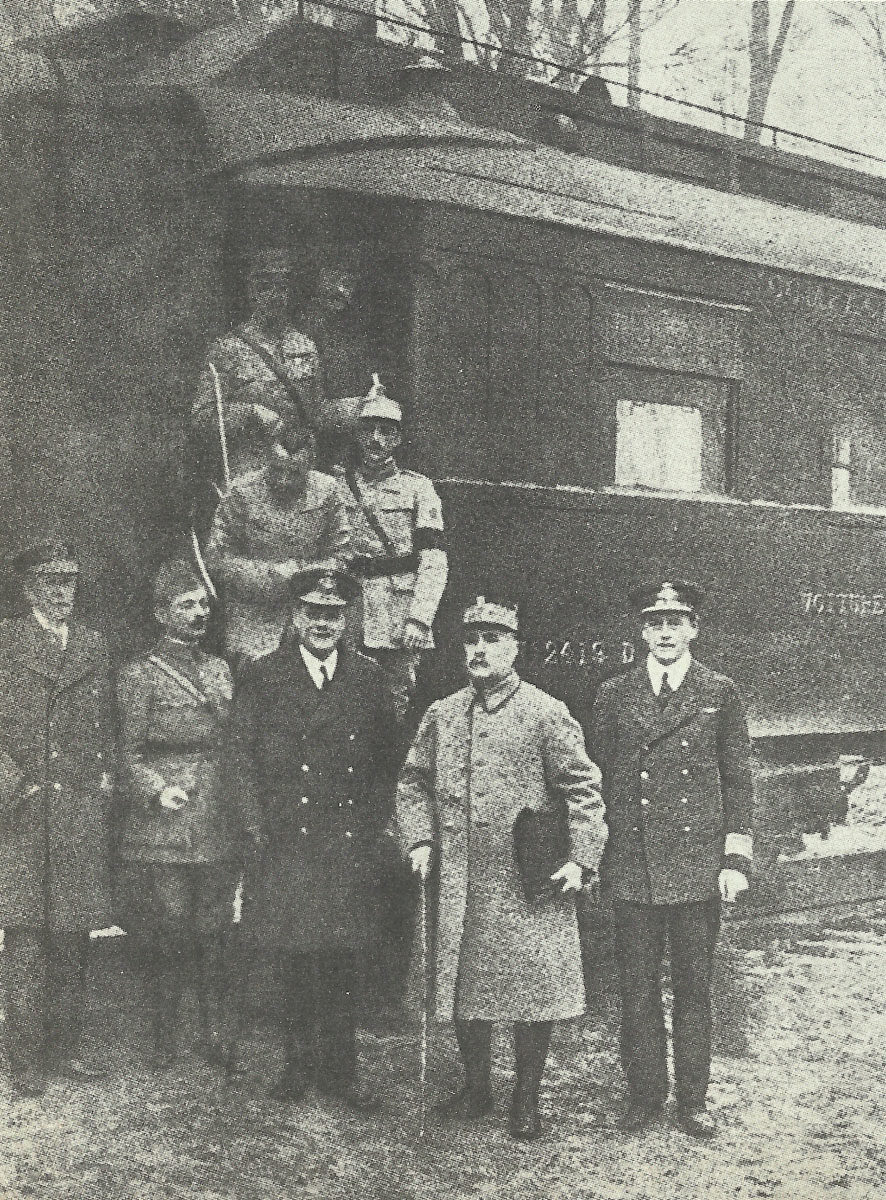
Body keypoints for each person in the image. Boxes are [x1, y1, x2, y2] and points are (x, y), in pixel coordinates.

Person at [397, 594, 606, 1140]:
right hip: (460, 880)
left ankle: (526, 1098)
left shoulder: (545, 711)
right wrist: (418, 839)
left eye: (493, 639)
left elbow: (583, 789)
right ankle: (476, 1088)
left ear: (516, 647)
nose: (481, 649)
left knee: (531, 993)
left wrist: (582, 859)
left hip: (524, 880)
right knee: (467, 987)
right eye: (472, 639)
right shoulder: (442, 714)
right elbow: (413, 782)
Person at [227, 569, 398, 1111]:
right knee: (297, 959)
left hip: (348, 843)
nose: (322, 623)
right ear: (294, 616)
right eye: (312, 612)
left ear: (347, 620)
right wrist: (254, 830)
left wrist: (373, 830)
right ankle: (297, 1066)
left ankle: (340, 1072)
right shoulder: (264, 676)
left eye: (333, 614)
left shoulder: (369, 680)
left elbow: (386, 767)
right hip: (287, 842)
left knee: (345, 960)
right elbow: (241, 760)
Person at [589, 580, 754, 1139]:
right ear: (641, 631)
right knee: (635, 988)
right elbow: (601, 780)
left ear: (693, 629)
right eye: (654, 622)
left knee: (693, 987)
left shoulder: (720, 691)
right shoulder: (614, 693)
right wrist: (595, 855)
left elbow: (738, 781)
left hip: (696, 867)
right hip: (633, 865)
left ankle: (692, 1099)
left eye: (675, 621)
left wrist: (735, 860)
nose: (665, 631)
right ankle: (643, 1095)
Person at [116, 559, 260, 1069]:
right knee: (169, 930)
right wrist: (157, 791)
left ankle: (216, 1038)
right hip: (167, 822)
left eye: (203, 604)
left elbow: (235, 741)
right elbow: (127, 752)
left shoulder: (220, 668)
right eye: (186, 604)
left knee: (215, 931)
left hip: (218, 812)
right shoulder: (139, 675)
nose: (199, 613)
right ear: (161, 613)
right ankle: (162, 1038)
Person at [0, 540, 115, 1096]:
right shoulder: (6, 641)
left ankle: (62, 1049)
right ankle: (21, 1058)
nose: (62, 592)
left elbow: (111, 724)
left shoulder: (94, 644)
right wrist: (12, 785)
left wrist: (106, 780)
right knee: (24, 936)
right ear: (27, 588)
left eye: (70, 581)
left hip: (77, 808)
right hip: (22, 809)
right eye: (50, 581)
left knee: (73, 935)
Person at [336, 378, 447, 723]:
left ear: (398, 439)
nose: (376, 440)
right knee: (342, 694)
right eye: (369, 430)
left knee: (394, 701)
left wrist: (419, 618)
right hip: (349, 602)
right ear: (358, 435)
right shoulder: (336, 484)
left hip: (398, 612)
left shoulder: (418, 487)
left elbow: (434, 557)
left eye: (386, 432)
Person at [205, 421, 352, 662]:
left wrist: (306, 575)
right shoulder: (241, 491)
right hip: (251, 618)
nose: (283, 480)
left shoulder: (328, 491)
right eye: (276, 470)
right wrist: (268, 575)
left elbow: (343, 553)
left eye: (294, 473)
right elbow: (217, 558)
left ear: (310, 464)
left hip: (311, 614)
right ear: (266, 458)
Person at [191, 247, 322, 493]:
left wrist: (358, 407)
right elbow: (202, 417)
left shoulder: (305, 346)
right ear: (252, 293)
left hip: (299, 469)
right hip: (252, 472)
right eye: (265, 288)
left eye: (282, 288)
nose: (274, 296)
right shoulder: (227, 349)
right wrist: (250, 412)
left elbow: (316, 412)